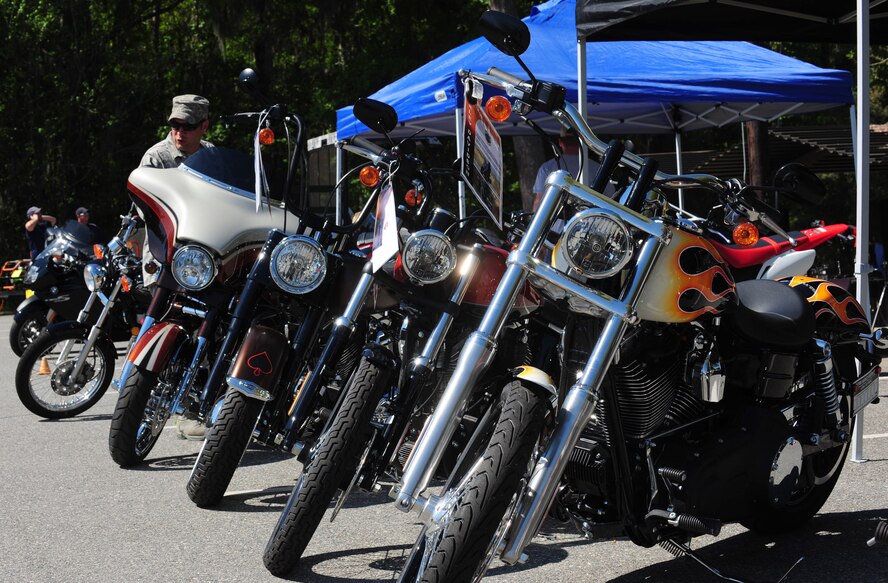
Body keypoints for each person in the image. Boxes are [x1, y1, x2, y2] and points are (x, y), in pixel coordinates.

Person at [139, 94, 215, 440]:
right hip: (163, 256)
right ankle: (139, 397)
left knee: (203, 332)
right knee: (160, 328)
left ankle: (189, 406)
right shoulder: (157, 157)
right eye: (174, 125)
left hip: (202, 261)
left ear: (204, 127)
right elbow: (146, 208)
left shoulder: (214, 159)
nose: (178, 132)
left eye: (186, 126)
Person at [531, 127, 615, 212]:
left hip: (555, 224)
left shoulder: (547, 167)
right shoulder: (598, 167)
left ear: (560, 142)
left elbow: (539, 202)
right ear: (581, 142)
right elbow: (610, 199)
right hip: (589, 222)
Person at [140, 94, 214, 169]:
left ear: (204, 126)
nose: (180, 133)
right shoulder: (155, 158)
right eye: (175, 125)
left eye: (188, 126)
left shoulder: (210, 151)